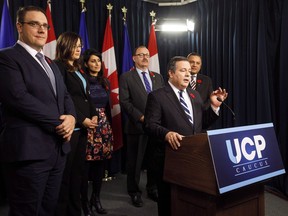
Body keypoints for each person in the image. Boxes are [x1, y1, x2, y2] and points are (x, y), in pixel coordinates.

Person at [0, 6, 76, 216]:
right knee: (26, 211)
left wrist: (71, 117)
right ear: (19, 27)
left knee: (47, 209)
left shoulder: (50, 63)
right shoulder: (7, 58)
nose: (42, 30)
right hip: (29, 152)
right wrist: (60, 123)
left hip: (57, 150)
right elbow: (18, 98)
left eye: (45, 25)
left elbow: (65, 96)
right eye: (34, 24)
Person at [144, 56, 228, 216]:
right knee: (169, 205)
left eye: (189, 71)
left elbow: (200, 124)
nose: (188, 75)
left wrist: (214, 107)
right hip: (170, 159)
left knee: (190, 203)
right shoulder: (157, 96)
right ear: (170, 73)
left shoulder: (194, 95)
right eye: (183, 70)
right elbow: (149, 125)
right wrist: (167, 133)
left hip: (193, 159)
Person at [54, 32, 98, 216]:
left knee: (78, 174)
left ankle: (75, 210)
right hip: (72, 129)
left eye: (80, 45)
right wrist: (82, 119)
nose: (79, 48)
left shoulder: (79, 69)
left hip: (83, 129)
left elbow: (86, 97)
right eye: (75, 45)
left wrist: (94, 115)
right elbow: (65, 98)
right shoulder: (58, 67)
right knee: (66, 175)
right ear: (65, 46)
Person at [119, 45, 165, 207]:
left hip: (156, 127)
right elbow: (124, 102)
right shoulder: (126, 77)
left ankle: (152, 188)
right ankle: (134, 191)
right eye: (141, 55)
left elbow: (164, 100)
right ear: (134, 58)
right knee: (135, 162)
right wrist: (141, 116)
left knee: (154, 161)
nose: (145, 58)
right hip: (136, 127)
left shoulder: (157, 77)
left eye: (147, 55)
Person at [81, 49, 114, 215]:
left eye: (98, 61)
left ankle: (96, 198)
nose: (96, 64)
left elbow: (107, 106)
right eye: (93, 61)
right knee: (86, 165)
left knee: (100, 164)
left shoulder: (105, 82)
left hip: (104, 126)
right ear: (86, 63)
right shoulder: (82, 80)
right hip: (88, 125)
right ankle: (84, 202)